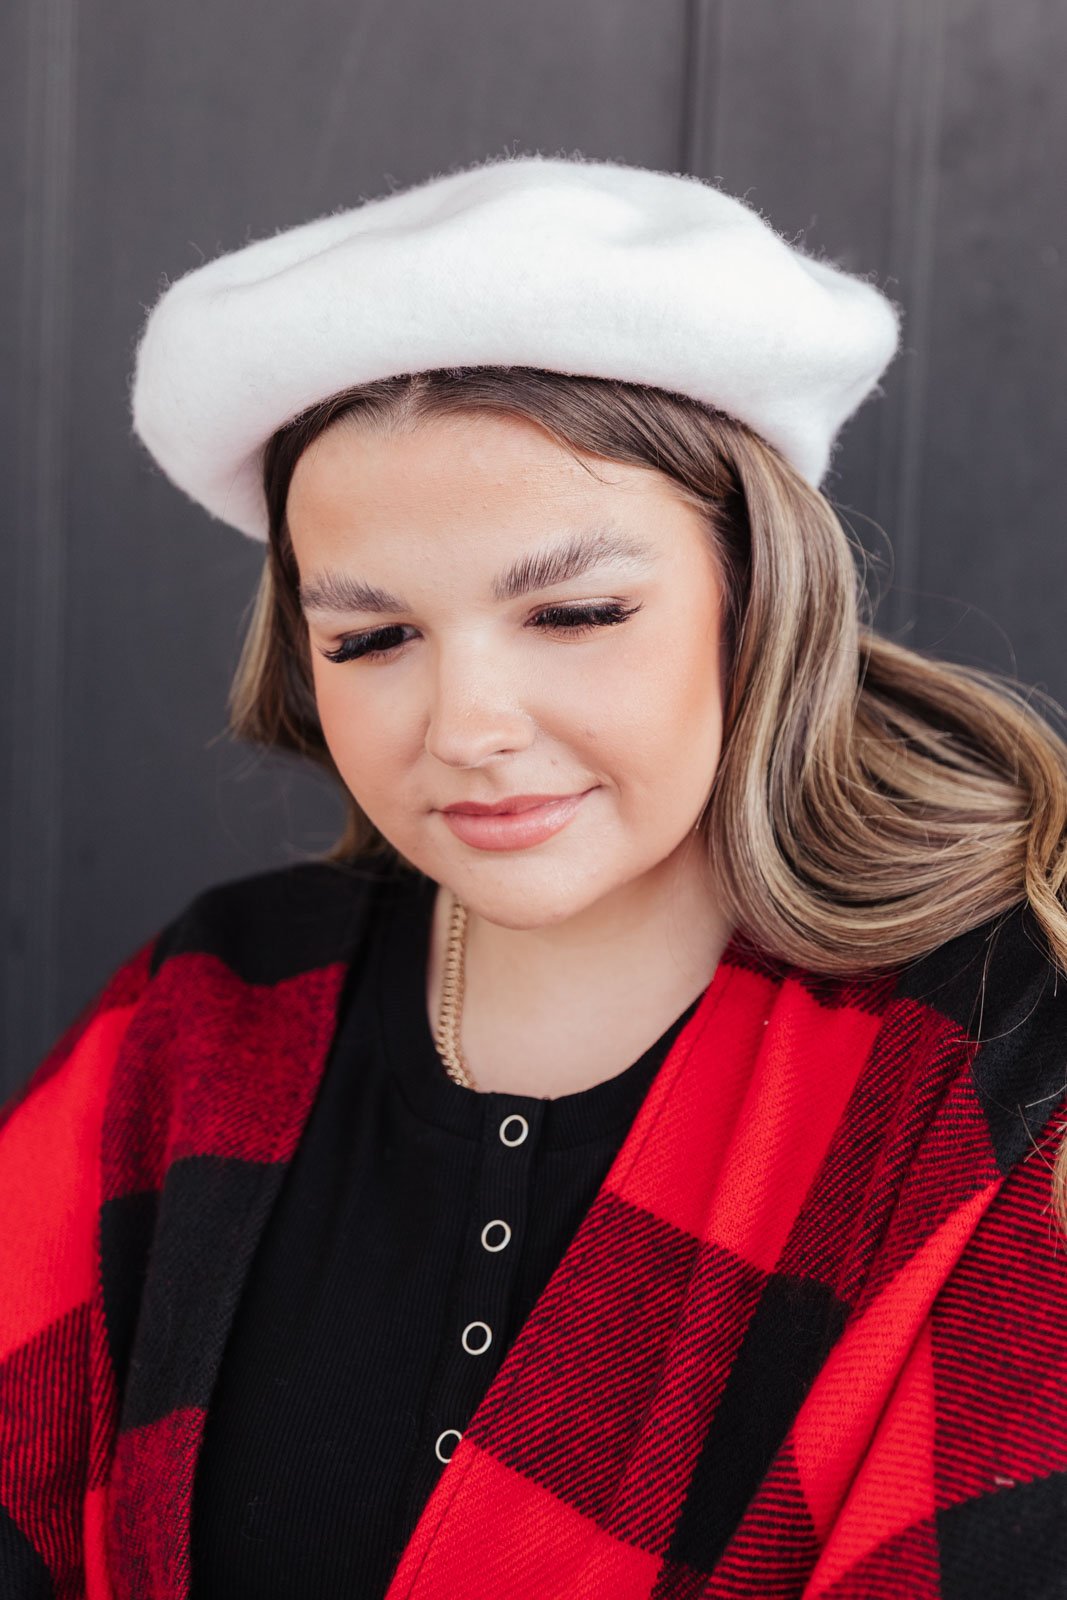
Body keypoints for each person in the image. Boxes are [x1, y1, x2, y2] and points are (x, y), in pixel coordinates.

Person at [2, 153, 1065, 1600]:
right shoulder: (214, 1009)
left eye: (573, 611)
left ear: (761, 597)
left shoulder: (992, 1060)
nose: (467, 730)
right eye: (372, 639)